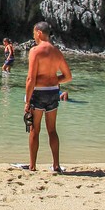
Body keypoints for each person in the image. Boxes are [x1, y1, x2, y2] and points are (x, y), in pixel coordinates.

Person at [24, 21, 73, 172]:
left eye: (34, 33)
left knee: (34, 129)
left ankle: (32, 166)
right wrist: (53, 80)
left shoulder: (35, 51)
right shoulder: (57, 52)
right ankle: (56, 165)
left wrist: (27, 100)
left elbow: (31, 79)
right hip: (53, 93)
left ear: (39, 32)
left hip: (38, 93)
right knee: (52, 130)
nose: (33, 36)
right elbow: (68, 76)